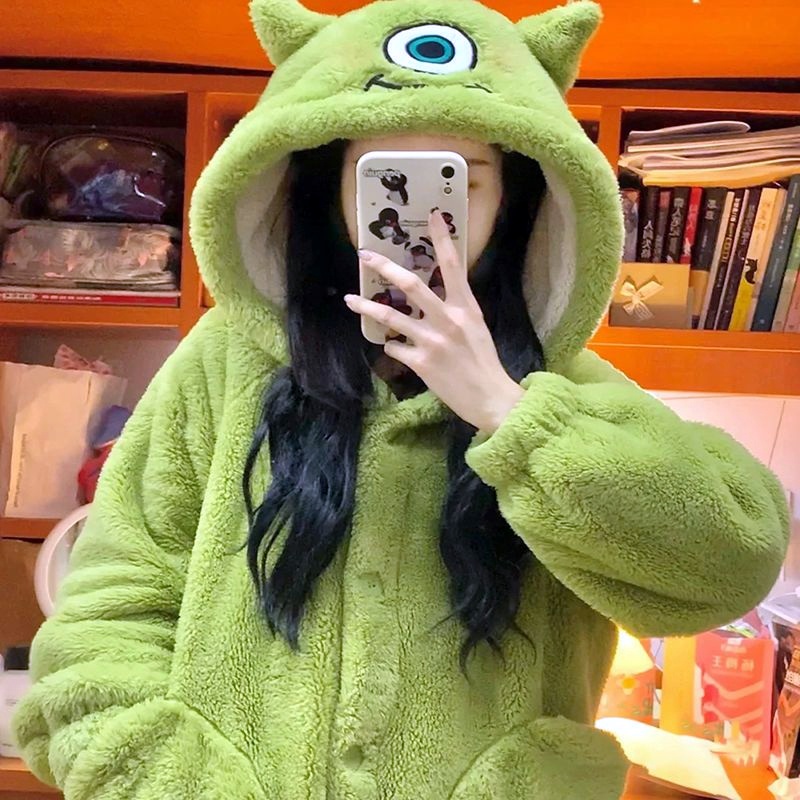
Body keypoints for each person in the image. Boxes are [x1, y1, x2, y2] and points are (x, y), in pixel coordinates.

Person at [13, 0, 789, 798]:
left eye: (460, 181)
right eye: (384, 179)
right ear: (330, 188)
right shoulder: (223, 365)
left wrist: (508, 412)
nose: (423, 220)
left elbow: (730, 565)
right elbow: (110, 613)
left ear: (514, 195)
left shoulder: (566, 389)